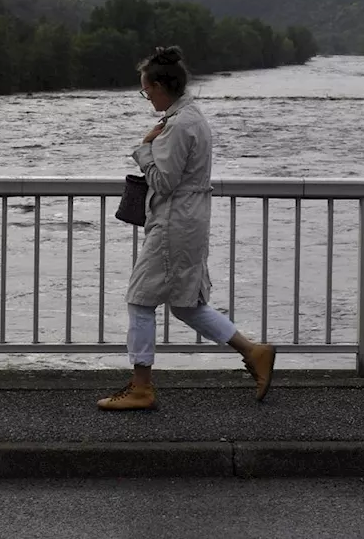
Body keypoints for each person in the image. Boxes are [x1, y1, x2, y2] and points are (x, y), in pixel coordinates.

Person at [98, 46, 276, 411]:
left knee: (140, 300)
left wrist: (144, 148)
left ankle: (141, 387)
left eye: (146, 88)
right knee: (187, 304)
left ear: (162, 85)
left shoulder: (179, 125)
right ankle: (254, 352)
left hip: (174, 222)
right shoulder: (188, 117)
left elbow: (163, 181)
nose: (146, 95)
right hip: (186, 219)